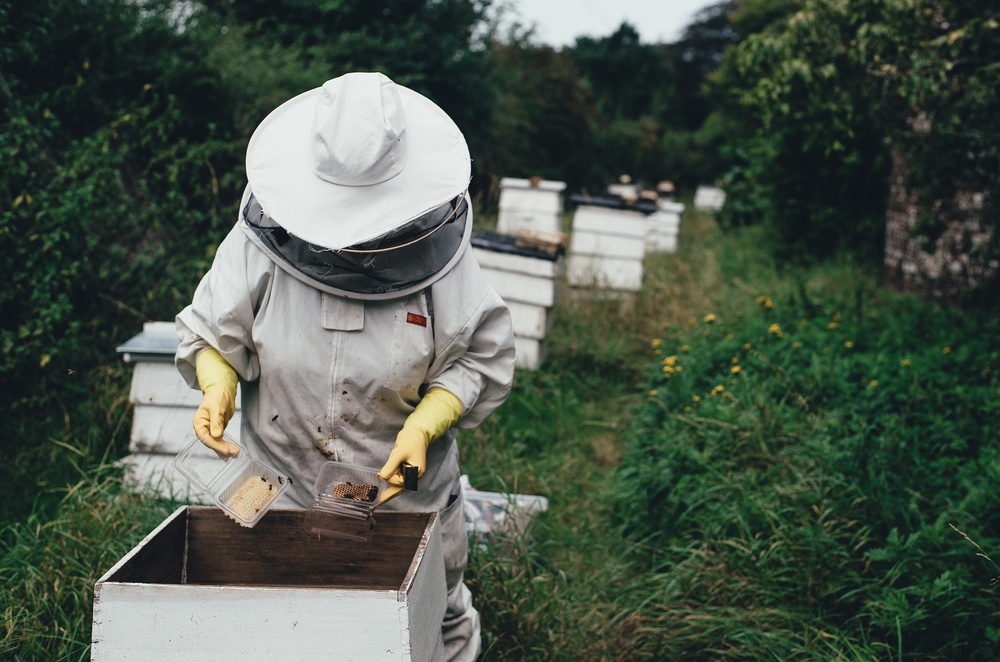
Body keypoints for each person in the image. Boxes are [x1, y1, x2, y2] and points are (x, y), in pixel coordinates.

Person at [174, 71, 515, 661]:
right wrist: (217, 383)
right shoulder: (258, 243)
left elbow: (476, 359)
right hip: (276, 488)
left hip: (400, 494)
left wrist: (424, 425)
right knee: (290, 627)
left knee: (432, 618)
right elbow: (215, 331)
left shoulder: (445, 263)